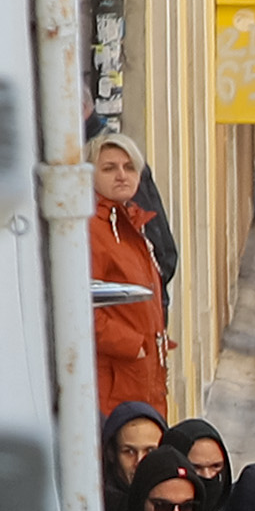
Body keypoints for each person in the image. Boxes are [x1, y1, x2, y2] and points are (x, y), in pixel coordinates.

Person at [89, 131, 170, 416]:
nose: (121, 175)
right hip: (115, 382)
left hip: (145, 376)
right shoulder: (91, 229)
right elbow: (79, 305)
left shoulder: (134, 223)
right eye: (109, 168)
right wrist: (135, 345)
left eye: (129, 167)